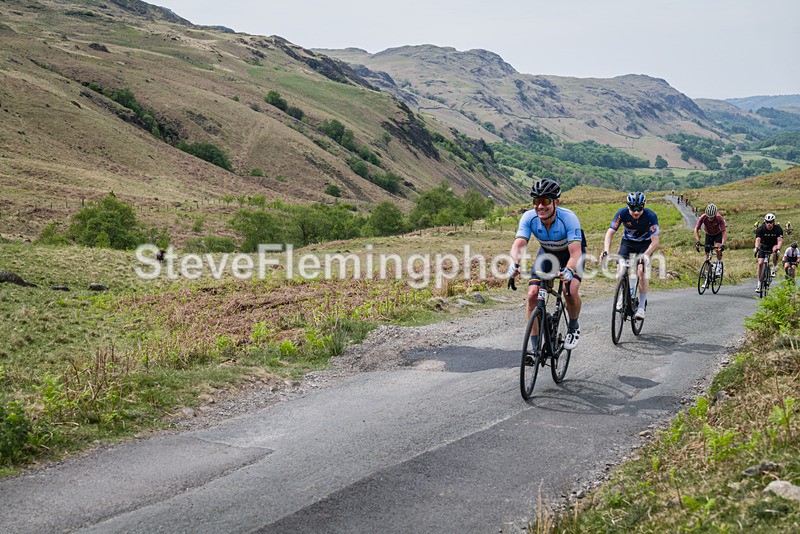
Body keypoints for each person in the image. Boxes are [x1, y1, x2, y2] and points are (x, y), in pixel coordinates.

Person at [508, 178, 585, 350]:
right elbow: (519, 244)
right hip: (548, 254)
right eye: (536, 201)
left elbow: (576, 253)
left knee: (570, 291)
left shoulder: (569, 218)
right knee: (532, 295)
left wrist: (570, 270)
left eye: (545, 201)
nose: (540, 206)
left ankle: (573, 326)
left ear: (555, 202)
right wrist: (514, 262)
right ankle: (535, 348)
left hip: (571, 254)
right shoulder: (529, 217)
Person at [601, 192, 660, 320]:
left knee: (641, 271)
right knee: (620, 270)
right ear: (628, 207)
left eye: (639, 208)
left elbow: (655, 241)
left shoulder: (651, 216)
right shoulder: (622, 213)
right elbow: (610, 233)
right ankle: (622, 295)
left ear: (644, 206)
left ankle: (641, 306)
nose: (636, 212)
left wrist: (645, 255)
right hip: (628, 244)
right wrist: (606, 250)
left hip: (645, 246)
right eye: (633, 208)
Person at [694, 203, 727, 280]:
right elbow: (696, 229)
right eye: (708, 217)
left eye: (712, 218)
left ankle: (719, 264)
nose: (709, 219)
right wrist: (697, 241)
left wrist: (723, 244)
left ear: (715, 215)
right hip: (708, 235)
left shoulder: (719, 218)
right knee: (707, 256)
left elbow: (724, 232)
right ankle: (707, 276)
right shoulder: (703, 217)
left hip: (718, 234)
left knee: (717, 248)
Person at [754, 213, 784, 292]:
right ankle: (759, 284)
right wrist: (756, 247)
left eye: (770, 222)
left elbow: (780, 241)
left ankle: (773, 268)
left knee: (775, 251)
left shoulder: (778, 229)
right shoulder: (761, 229)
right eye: (767, 222)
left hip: (773, 245)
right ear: (765, 222)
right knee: (760, 263)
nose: (769, 224)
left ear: (773, 222)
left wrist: (778, 248)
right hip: (763, 246)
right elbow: (758, 239)